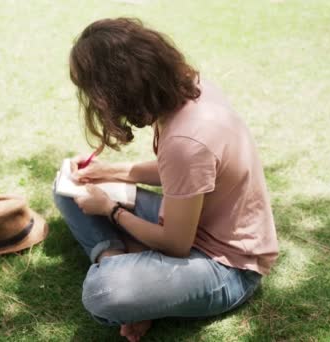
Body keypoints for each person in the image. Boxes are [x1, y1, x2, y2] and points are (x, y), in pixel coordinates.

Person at [53, 18, 278, 342]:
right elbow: (183, 175)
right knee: (69, 190)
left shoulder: (187, 142)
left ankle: (130, 277)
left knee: (102, 291)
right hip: (192, 218)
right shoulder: (191, 89)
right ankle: (129, 268)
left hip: (227, 265)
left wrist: (111, 211)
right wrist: (107, 172)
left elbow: (176, 244)